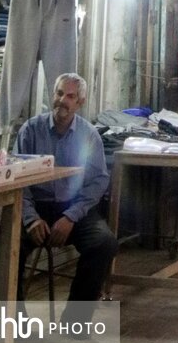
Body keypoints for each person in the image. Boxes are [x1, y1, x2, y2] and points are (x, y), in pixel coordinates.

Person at [16, 73, 117, 322]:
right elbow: (17, 179)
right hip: (35, 207)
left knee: (104, 243)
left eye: (70, 96)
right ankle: (14, 325)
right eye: (59, 93)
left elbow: (98, 181)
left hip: (74, 209)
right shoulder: (31, 130)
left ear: (80, 102)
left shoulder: (89, 134)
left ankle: (75, 321)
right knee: (6, 248)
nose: (63, 100)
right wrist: (30, 218)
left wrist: (71, 216)